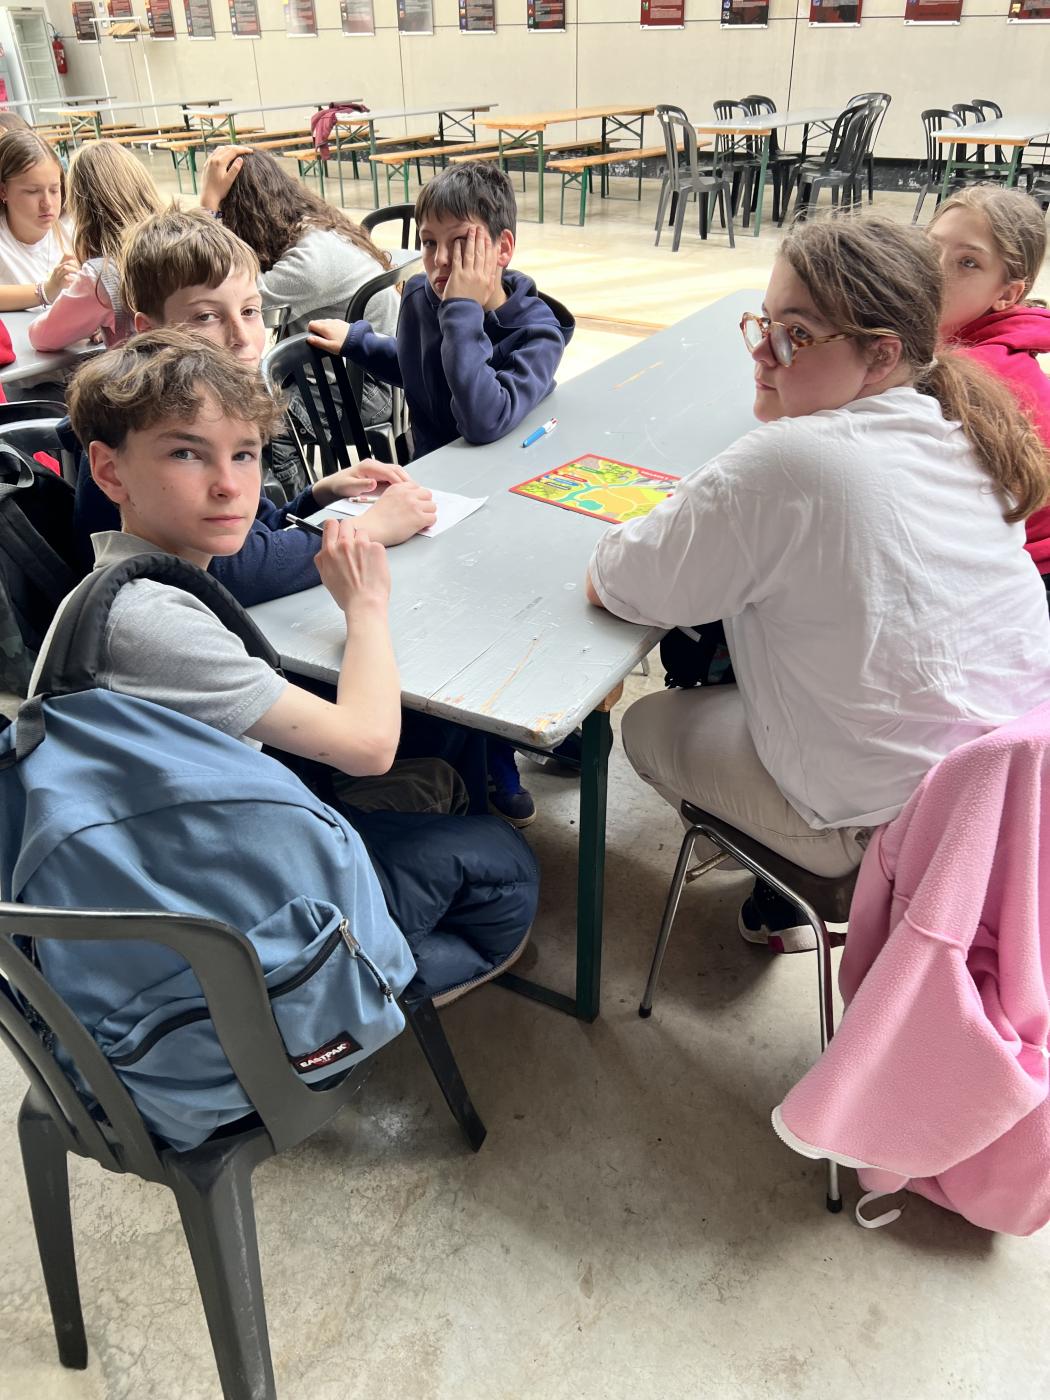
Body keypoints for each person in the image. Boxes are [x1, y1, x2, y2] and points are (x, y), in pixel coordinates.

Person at [586, 217, 1050, 952]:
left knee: (644, 724)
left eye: (797, 335)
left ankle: (780, 873)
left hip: (885, 827)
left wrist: (697, 505)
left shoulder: (787, 463)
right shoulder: (963, 426)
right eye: (765, 324)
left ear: (882, 354)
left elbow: (616, 580)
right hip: (1005, 805)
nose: (762, 353)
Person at [40, 329, 538, 999]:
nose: (229, 485)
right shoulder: (151, 622)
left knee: (439, 761)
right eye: (186, 453)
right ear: (108, 472)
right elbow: (368, 747)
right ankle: (329, 1000)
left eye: (244, 454)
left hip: (185, 842)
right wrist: (364, 607)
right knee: (508, 869)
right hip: (213, 907)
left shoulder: (131, 579)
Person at [309, 162, 576, 825]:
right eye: (428, 243)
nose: (438, 262)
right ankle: (481, 748)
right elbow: (418, 367)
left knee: (503, 617)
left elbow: (483, 417)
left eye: (460, 243)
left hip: (508, 507)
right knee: (440, 622)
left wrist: (462, 311)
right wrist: (362, 342)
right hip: (435, 502)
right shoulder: (422, 304)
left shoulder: (537, 328)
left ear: (502, 249)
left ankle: (507, 743)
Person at [69, 208, 435, 601]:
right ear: (150, 331)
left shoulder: (219, 413)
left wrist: (319, 495)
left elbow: (253, 527)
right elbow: (237, 571)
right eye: (206, 316)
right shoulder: (135, 433)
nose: (241, 336)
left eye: (249, 311)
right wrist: (370, 529)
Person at [199, 144, 398, 427]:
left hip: (367, 389)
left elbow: (224, 293)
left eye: (225, 215)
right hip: (360, 374)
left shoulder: (309, 261)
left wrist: (207, 207)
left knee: (248, 421)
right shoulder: (309, 229)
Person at [927, 183, 1050, 597]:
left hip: (1025, 577)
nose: (935, 271)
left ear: (1007, 294)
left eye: (967, 262)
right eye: (931, 248)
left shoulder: (970, 372)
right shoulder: (988, 339)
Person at [28, 139, 166, 352]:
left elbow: (41, 336)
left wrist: (88, 315)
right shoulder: (178, 243)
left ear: (82, 208)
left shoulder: (102, 277)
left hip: (146, 371)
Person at [0, 129, 77, 312]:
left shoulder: (74, 228)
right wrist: (45, 291)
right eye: (32, 191)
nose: (47, 203)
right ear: (3, 191)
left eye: (54, 190)